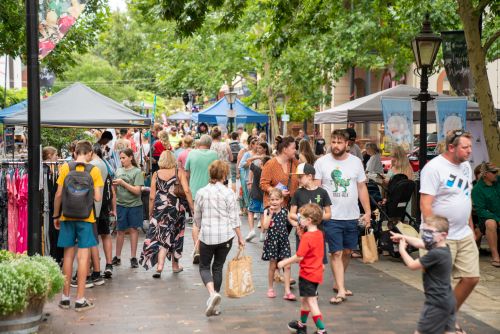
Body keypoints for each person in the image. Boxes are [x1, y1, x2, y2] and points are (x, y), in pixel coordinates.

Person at [420, 130, 478, 333]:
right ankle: (445, 322)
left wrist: (470, 227)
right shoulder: (434, 168)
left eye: (470, 147)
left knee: (471, 278)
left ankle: (447, 317)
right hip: (441, 236)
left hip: (463, 233)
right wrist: (433, 235)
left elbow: (465, 198)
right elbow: (425, 204)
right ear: (451, 147)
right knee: (440, 287)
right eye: (465, 147)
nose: (469, 151)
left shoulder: (466, 167)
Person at [314, 129, 371, 305]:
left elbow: (361, 188)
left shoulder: (356, 163)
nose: (336, 145)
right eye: (334, 141)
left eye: (340, 142)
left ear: (347, 144)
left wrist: (367, 212)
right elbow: (317, 188)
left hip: (352, 215)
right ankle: (340, 288)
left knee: (347, 251)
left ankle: (338, 281)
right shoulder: (322, 162)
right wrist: (317, 212)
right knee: (336, 252)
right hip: (331, 216)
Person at [53, 140, 103, 312]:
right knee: (83, 257)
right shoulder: (94, 170)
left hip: (67, 216)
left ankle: (65, 298)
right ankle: (80, 299)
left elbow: (59, 194)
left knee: (68, 256)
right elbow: (97, 198)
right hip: (86, 218)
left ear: (75, 153)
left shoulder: (66, 168)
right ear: (89, 153)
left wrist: (55, 215)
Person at [193, 160, 245, 317]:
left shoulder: (201, 192)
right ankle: (215, 299)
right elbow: (234, 218)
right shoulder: (229, 193)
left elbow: (197, 217)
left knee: (204, 267)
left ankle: (212, 294)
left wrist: (200, 227)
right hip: (225, 237)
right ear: (224, 175)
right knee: (217, 267)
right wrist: (240, 238)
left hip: (207, 236)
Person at [391, 216, 456, 334]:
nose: (426, 235)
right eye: (425, 232)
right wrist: (402, 236)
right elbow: (419, 242)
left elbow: (412, 265)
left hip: (436, 302)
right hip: (447, 300)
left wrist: (402, 250)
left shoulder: (435, 254)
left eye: (430, 232)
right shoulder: (443, 247)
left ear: (443, 235)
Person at [140, 151, 194, 277]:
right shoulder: (178, 172)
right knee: (176, 235)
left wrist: (150, 212)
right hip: (176, 207)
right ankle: (175, 266)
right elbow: (186, 190)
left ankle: (160, 266)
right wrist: (192, 207)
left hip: (160, 207)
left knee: (160, 234)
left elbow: (152, 196)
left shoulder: (156, 174)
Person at [279, 203, 327, 334]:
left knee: (311, 301)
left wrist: (284, 263)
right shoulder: (319, 233)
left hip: (307, 274)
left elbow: (299, 256)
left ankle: (321, 329)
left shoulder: (307, 237)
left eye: (301, 217)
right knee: (305, 299)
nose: (299, 219)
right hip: (316, 273)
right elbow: (314, 251)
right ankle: (301, 324)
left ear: (309, 220)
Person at [185, 134, 218, 263]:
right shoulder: (214, 155)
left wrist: (188, 187)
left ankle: (197, 249)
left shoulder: (192, 154)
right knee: (210, 221)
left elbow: (187, 173)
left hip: (194, 193)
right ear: (210, 144)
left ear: (199, 143)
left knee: (196, 222)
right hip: (211, 192)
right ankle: (208, 251)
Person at [112, 148, 145, 269]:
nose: (121, 160)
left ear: (131, 157)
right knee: (120, 231)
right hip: (121, 204)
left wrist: (123, 183)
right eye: (120, 158)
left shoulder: (137, 172)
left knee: (133, 230)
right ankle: (117, 256)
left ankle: (133, 257)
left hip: (134, 205)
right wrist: (114, 205)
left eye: (123, 158)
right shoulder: (118, 170)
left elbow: (137, 191)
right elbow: (114, 190)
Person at [261, 189, 295, 301]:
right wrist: (270, 214)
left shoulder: (285, 211)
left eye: (276, 199)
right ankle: (270, 288)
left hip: (283, 241)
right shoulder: (267, 211)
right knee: (272, 265)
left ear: (281, 200)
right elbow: (265, 227)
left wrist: (301, 224)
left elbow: (292, 222)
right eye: (272, 200)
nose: (274, 202)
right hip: (272, 242)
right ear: (269, 200)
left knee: (287, 265)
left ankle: (287, 291)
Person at [289, 163, 331, 251]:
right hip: (302, 232)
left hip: (317, 232)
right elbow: (292, 214)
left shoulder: (322, 192)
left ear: (310, 176)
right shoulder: (298, 193)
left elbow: (328, 214)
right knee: (302, 259)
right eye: (298, 177)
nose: (298, 179)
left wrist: (315, 217)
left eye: (300, 177)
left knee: (318, 260)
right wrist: (302, 219)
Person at [471, 162, 500, 267]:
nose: (496, 174)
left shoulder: (498, 181)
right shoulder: (477, 190)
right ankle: (495, 256)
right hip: (486, 220)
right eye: (493, 172)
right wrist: (497, 218)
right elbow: (481, 211)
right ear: (485, 174)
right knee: (490, 223)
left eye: (496, 171)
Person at [260, 136, 299, 210]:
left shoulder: (294, 162)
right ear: (285, 149)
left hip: (291, 207)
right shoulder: (270, 164)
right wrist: (278, 192)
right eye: (293, 148)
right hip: (274, 208)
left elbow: (302, 176)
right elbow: (263, 184)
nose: (295, 150)